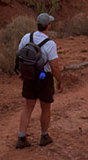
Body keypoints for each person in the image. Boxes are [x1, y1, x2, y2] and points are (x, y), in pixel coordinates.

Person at [15, 12, 62, 148]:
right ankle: (44, 136)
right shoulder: (50, 44)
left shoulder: (26, 37)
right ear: (48, 26)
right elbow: (55, 66)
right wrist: (60, 81)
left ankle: (22, 137)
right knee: (45, 108)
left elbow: (19, 55)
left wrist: (21, 72)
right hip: (44, 78)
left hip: (29, 76)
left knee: (28, 107)